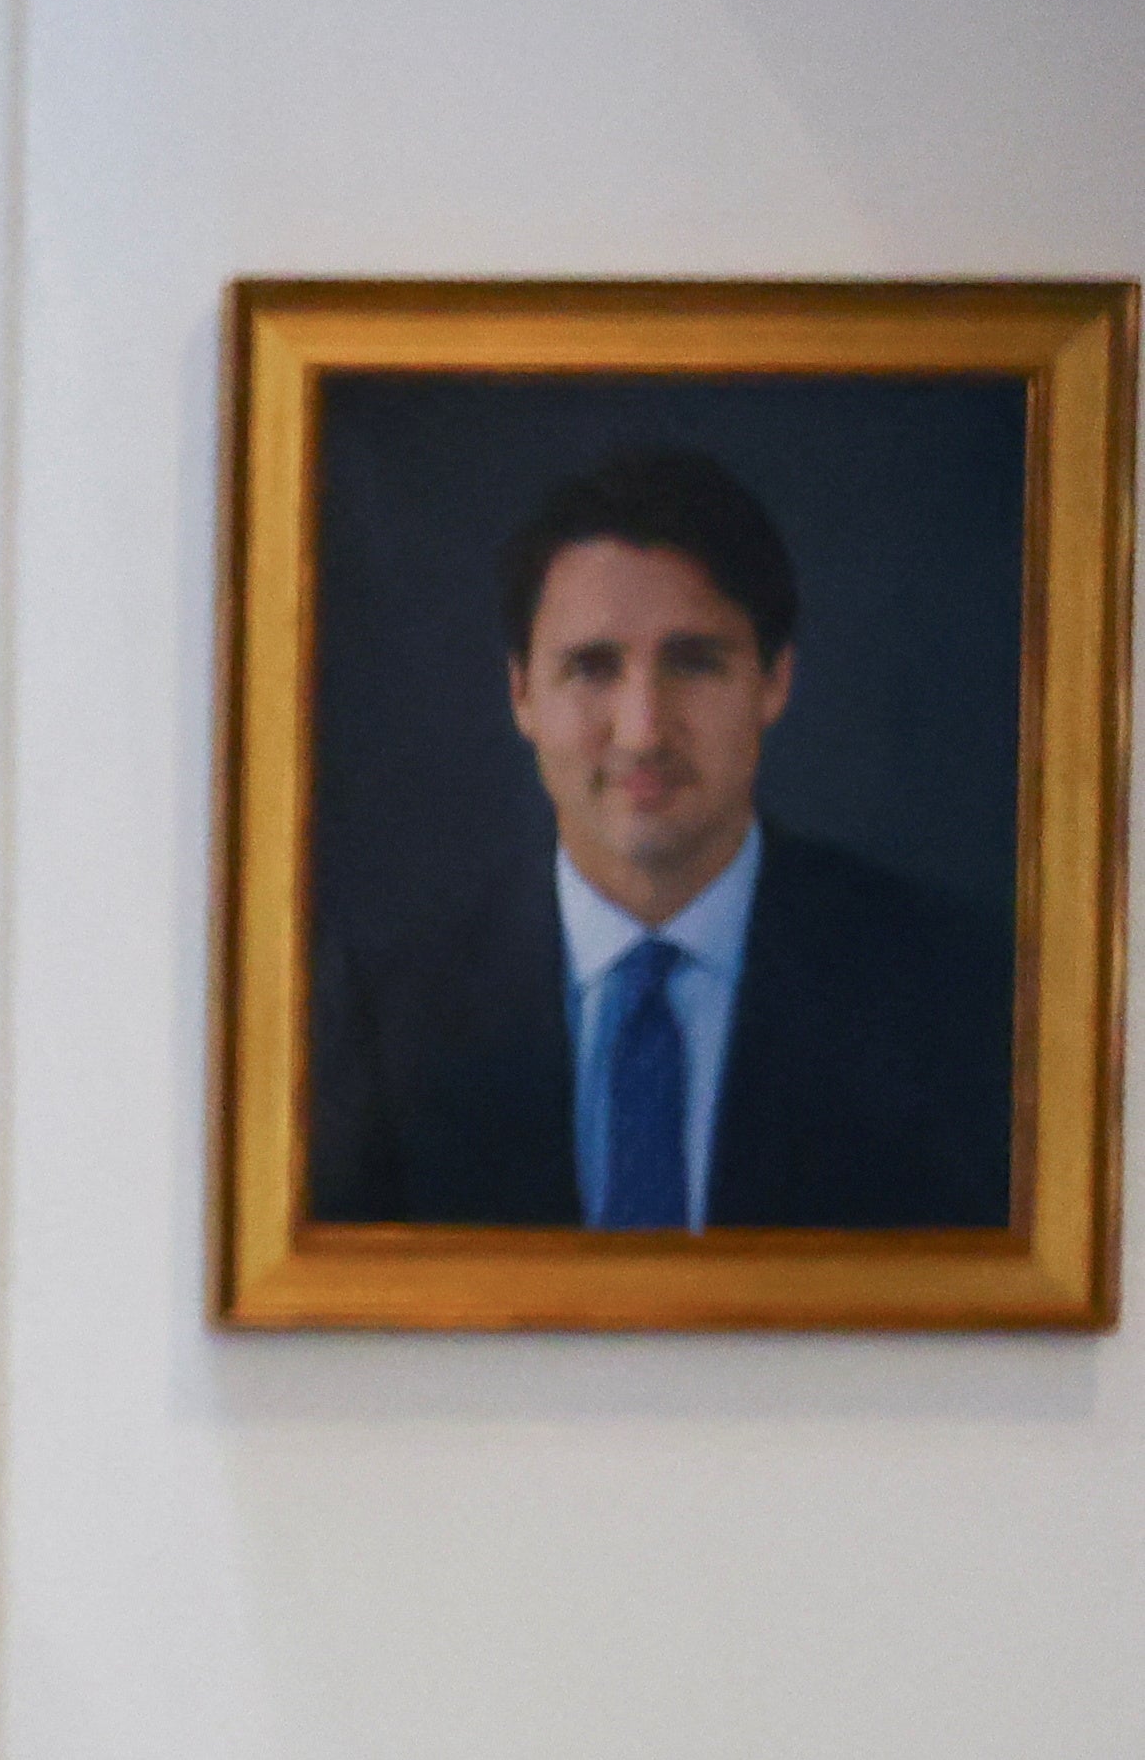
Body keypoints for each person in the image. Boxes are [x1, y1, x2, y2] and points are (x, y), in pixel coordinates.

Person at [310, 441, 1015, 1233]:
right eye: (592, 667)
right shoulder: (388, 1022)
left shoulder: (954, 997)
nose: (644, 732)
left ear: (774, 680)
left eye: (693, 662)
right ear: (521, 694)